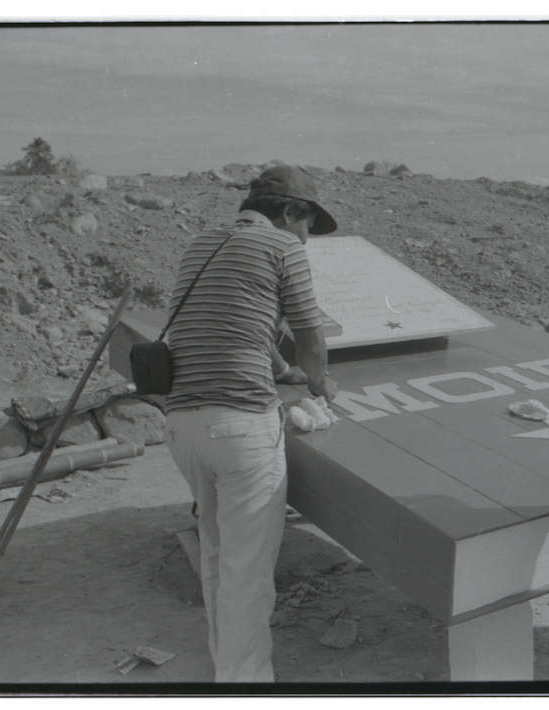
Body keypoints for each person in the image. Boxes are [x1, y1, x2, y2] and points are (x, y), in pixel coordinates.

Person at [163, 164, 338, 682]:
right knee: (250, 574)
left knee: (218, 556)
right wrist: (318, 383)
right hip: (240, 428)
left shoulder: (201, 244)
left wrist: (282, 372)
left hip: (181, 426)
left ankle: (229, 675)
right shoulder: (285, 249)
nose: (308, 237)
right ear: (290, 211)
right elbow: (310, 339)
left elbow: (242, 329)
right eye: (308, 223)